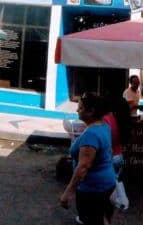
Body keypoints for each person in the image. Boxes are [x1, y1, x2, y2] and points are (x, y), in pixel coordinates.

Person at [60, 93, 117, 225]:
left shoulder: (91, 135)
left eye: (80, 108)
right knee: (101, 217)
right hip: (107, 182)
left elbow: (83, 167)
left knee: (92, 219)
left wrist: (68, 192)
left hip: (93, 188)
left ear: (90, 112)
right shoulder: (104, 126)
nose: (77, 110)